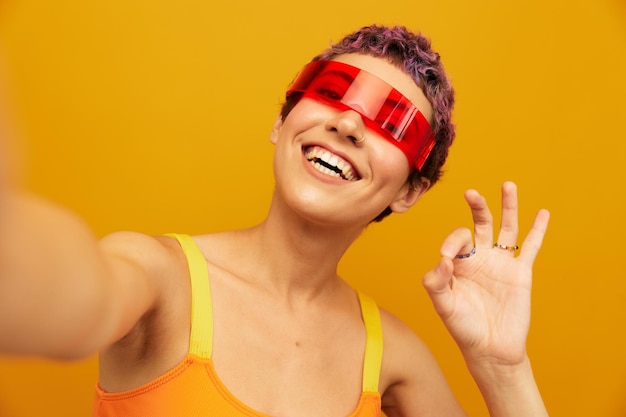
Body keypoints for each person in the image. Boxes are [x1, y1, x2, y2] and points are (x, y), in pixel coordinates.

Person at [0, 24, 550, 416]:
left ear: (409, 192)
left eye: (392, 125)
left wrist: (503, 369)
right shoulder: (159, 276)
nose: (350, 125)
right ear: (281, 122)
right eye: (333, 93)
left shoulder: (397, 359)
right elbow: (65, 293)